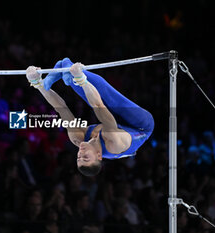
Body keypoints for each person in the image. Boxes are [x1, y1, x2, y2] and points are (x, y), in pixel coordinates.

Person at [25, 58, 154, 176]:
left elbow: (61, 108)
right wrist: (81, 79)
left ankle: (61, 69)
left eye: (78, 158)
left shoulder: (78, 138)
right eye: (85, 157)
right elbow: (98, 105)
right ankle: (65, 65)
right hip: (140, 126)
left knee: (77, 83)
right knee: (108, 99)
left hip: (113, 123)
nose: (80, 154)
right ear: (99, 155)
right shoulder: (113, 143)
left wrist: (38, 84)